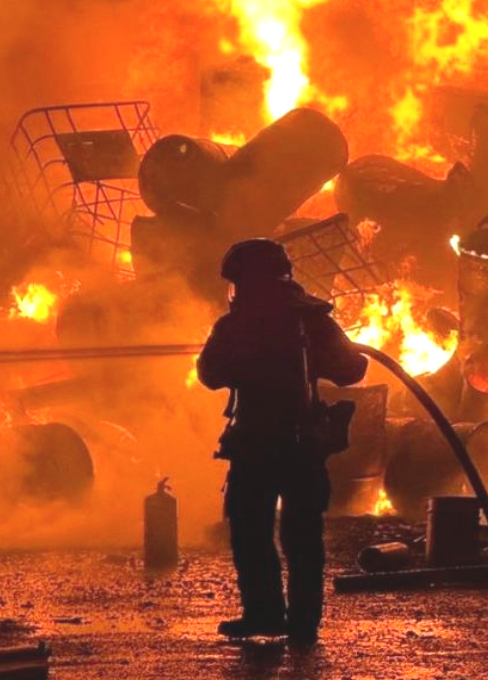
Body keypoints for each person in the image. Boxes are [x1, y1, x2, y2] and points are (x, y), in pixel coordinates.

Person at [197, 238, 368, 646]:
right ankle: (303, 625)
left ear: (248, 281)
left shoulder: (234, 325)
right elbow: (351, 370)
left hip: (256, 444)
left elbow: (209, 374)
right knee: (302, 536)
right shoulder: (313, 320)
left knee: (251, 531)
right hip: (302, 446)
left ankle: (265, 613)